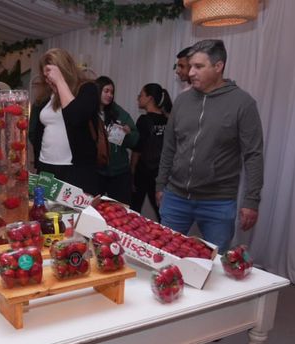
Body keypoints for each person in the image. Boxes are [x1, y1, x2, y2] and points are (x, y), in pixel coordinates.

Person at [156, 39, 264, 252]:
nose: (191, 72)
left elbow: (253, 155)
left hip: (218, 202)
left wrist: (251, 200)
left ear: (218, 66)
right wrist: (161, 184)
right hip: (176, 197)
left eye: (199, 66)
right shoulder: (182, 101)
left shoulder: (243, 103)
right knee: (165, 255)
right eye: (191, 66)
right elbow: (169, 146)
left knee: (216, 266)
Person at [29, 48, 101, 195]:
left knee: (71, 215)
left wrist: (60, 81)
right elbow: (37, 131)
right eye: (46, 76)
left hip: (74, 170)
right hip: (46, 167)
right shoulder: (46, 96)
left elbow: (75, 117)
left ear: (64, 70)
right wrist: (38, 164)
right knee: (45, 212)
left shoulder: (88, 89)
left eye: (51, 75)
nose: (48, 80)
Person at [94, 76, 139, 203]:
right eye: (106, 91)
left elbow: (135, 141)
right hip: (96, 171)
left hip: (119, 171)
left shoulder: (118, 112)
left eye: (112, 92)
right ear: (97, 91)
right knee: (93, 209)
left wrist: (128, 133)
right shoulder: (89, 111)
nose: (110, 95)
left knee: (120, 209)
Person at [131, 83, 172, 221]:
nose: (138, 98)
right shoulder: (168, 120)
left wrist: (132, 171)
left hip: (143, 171)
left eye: (141, 95)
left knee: (133, 211)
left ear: (149, 98)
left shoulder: (143, 120)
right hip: (161, 174)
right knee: (162, 213)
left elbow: (137, 149)